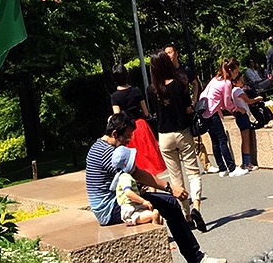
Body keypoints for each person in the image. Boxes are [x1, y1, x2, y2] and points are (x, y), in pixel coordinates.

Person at [83, 114, 226, 263]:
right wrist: (169, 187)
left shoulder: (99, 146)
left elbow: (124, 178)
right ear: (114, 134)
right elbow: (136, 173)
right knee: (170, 204)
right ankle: (196, 258)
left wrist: (143, 188)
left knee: (169, 203)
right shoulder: (109, 153)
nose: (129, 140)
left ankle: (195, 257)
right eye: (126, 136)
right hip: (110, 209)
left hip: (113, 201)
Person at [148, 49, 207, 233]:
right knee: (193, 172)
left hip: (164, 136)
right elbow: (188, 108)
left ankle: (186, 216)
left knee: (176, 178)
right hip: (182, 132)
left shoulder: (151, 89)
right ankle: (196, 207)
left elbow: (154, 113)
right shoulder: (179, 83)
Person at [110, 66, 165, 177]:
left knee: (135, 164)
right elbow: (146, 112)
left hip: (128, 130)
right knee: (149, 162)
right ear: (127, 75)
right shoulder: (136, 91)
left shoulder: (115, 97)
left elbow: (118, 117)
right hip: (141, 126)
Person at [200, 61, 245, 176]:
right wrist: (237, 109)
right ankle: (232, 168)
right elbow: (227, 103)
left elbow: (207, 94)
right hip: (212, 112)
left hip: (205, 112)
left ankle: (222, 168)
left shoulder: (216, 79)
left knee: (215, 141)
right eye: (236, 72)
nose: (237, 74)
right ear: (230, 71)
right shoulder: (227, 83)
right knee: (222, 140)